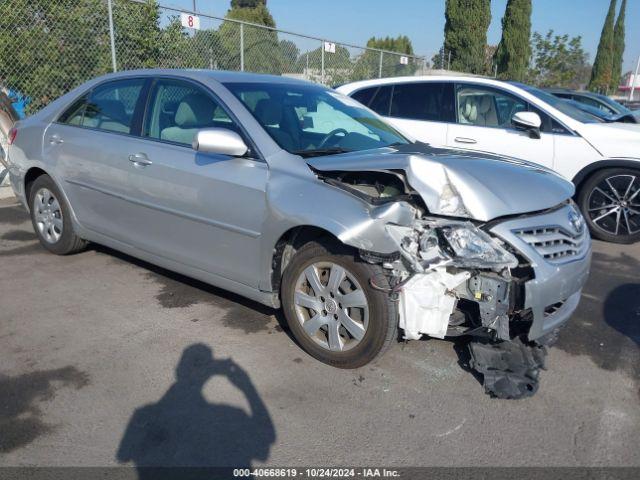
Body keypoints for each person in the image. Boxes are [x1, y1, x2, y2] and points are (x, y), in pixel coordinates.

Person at [117, 344, 275, 479]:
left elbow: (123, 455)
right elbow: (263, 449)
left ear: (178, 370)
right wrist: (248, 388)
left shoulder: (143, 414)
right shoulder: (232, 415)